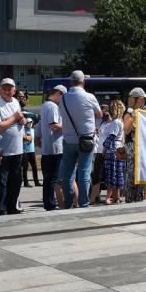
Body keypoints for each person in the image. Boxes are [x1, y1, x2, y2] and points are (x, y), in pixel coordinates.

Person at [59, 70, 102, 209]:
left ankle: (68, 203)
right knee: (84, 172)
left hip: (68, 140)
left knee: (68, 173)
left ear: (71, 81)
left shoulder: (63, 98)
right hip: (86, 140)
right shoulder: (89, 97)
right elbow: (99, 113)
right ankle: (84, 203)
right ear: (83, 81)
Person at [0, 78, 25, 215]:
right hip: (1, 150)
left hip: (17, 148)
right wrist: (15, 117)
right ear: (0, 90)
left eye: (9, 88)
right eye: (4, 88)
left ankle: (12, 205)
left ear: (14, 90)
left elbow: (17, 120)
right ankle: (1, 207)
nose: (6, 91)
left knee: (16, 180)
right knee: (2, 181)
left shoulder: (16, 102)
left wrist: (21, 120)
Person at [35, 85, 66, 211]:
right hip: (55, 148)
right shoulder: (53, 106)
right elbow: (53, 125)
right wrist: (67, 126)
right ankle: (51, 204)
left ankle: (48, 203)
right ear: (58, 93)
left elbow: (40, 125)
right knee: (53, 178)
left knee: (48, 178)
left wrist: (37, 137)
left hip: (48, 148)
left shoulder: (44, 105)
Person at [123, 87, 146, 203]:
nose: (144, 102)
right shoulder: (129, 112)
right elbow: (127, 130)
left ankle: (139, 197)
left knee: (140, 172)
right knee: (131, 173)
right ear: (137, 99)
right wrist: (134, 117)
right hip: (132, 145)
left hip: (141, 145)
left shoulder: (142, 111)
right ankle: (129, 198)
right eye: (143, 99)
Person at [103, 100, 125, 204]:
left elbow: (112, 136)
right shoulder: (120, 121)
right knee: (117, 174)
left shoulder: (115, 122)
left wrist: (104, 148)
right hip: (118, 149)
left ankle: (112, 197)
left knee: (112, 175)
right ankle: (117, 197)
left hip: (113, 151)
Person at [89, 105, 109, 205]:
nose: (104, 113)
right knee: (95, 174)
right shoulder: (95, 121)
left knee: (98, 175)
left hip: (101, 151)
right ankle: (94, 196)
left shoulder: (107, 122)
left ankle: (96, 195)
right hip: (96, 151)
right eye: (103, 110)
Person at [22, 118, 40, 187]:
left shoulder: (33, 130)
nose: (29, 124)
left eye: (30, 123)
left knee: (34, 167)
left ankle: (36, 181)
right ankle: (25, 182)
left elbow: (35, 139)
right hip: (25, 151)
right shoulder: (23, 130)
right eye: (28, 123)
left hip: (32, 151)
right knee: (25, 167)